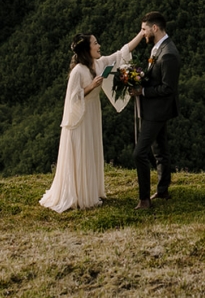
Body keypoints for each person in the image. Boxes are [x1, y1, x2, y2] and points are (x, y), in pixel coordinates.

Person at [39, 27, 145, 212]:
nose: (99, 45)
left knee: (91, 149)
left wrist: (141, 34)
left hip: (93, 113)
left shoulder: (100, 64)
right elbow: (72, 99)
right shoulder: (78, 71)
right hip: (80, 117)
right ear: (86, 49)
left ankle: (91, 191)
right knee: (82, 150)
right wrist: (91, 86)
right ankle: (80, 195)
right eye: (95, 43)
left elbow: (122, 53)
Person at [132, 11, 181, 210]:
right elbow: (154, 76)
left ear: (155, 28)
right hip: (154, 109)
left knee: (139, 153)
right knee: (160, 149)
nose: (142, 33)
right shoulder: (157, 48)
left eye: (144, 29)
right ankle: (162, 190)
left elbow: (168, 88)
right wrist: (137, 76)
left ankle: (144, 199)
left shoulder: (168, 54)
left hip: (157, 111)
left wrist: (142, 90)